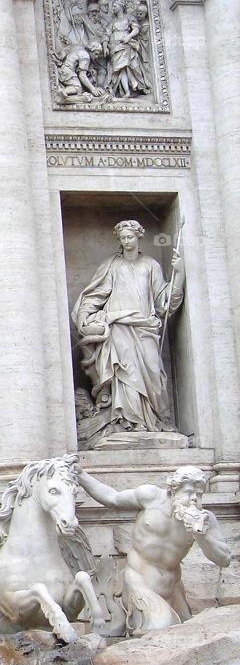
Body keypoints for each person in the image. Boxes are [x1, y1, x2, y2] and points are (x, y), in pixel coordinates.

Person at [77, 465, 230, 634]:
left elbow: (224, 559)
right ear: (173, 491)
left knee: (187, 633)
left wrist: (202, 535)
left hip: (173, 589)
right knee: (161, 628)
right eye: (188, 493)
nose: (194, 499)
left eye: (199, 494)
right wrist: (81, 475)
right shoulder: (151, 497)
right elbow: (112, 498)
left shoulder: (206, 519)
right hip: (140, 582)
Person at [72, 219, 183, 436]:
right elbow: (94, 295)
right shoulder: (112, 265)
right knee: (125, 374)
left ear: (138, 237)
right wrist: (84, 316)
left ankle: (154, 420)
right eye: (122, 238)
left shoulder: (151, 265)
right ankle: (128, 423)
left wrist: (180, 273)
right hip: (119, 328)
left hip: (145, 328)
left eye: (129, 237)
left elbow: (165, 302)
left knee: (153, 374)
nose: (126, 241)